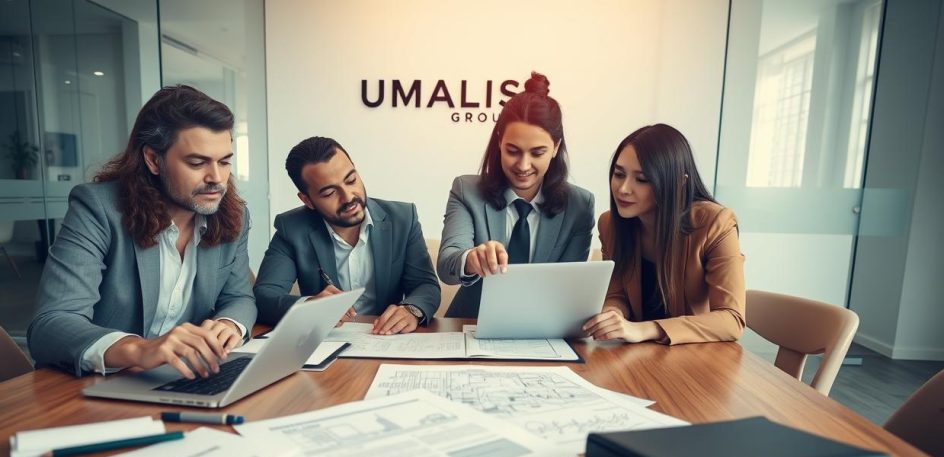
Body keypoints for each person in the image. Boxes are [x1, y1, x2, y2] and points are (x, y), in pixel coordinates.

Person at [27, 85, 256, 379]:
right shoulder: (97, 208)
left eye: (224, 162)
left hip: (182, 378)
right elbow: (51, 324)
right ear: (152, 159)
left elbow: (239, 297)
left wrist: (228, 325)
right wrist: (139, 349)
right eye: (197, 163)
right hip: (94, 385)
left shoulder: (231, 214)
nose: (216, 178)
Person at [437, 72, 594, 318]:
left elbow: (568, 289)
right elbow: (447, 267)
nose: (523, 165)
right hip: (469, 326)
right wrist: (472, 258)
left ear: (555, 147)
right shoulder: (466, 191)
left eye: (537, 152)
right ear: (499, 141)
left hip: (542, 331)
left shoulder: (579, 206)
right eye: (513, 151)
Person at [253, 136, 440, 334]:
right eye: (329, 193)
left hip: (387, 339)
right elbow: (264, 296)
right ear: (307, 200)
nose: (349, 196)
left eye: (351, 180)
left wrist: (411, 310)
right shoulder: (292, 228)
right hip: (326, 345)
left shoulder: (403, 218)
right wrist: (309, 306)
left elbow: (425, 285)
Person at [583, 123, 745, 344]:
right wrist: (614, 314)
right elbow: (618, 294)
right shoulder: (610, 224)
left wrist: (644, 330)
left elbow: (731, 319)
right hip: (638, 356)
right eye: (619, 174)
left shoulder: (716, 223)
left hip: (697, 357)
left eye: (642, 179)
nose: (623, 188)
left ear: (679, 183)